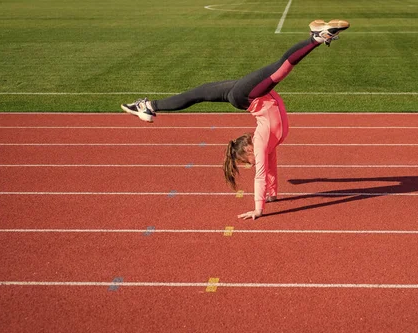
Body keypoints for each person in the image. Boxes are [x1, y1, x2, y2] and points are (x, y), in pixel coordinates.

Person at [121, 19, 350, 220]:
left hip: (247, 95)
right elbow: (269, 170)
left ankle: (316, 38)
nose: (252, 164)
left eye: (245, 162)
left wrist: (257, 209)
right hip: (245, 95)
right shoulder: (267, 145)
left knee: (280, 68)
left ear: (247, 150)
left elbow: (260, 174)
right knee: (199, 93)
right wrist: (271, 195)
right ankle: (148, 106)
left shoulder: (261, 141)